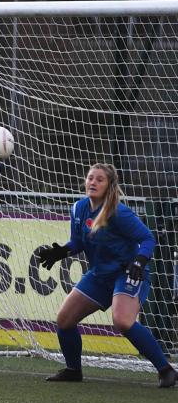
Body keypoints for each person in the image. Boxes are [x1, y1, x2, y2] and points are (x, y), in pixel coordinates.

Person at [36, 163, 177, 387]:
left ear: (110, 185)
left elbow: (148, 238)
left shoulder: (118, 212)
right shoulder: (79, 208)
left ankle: (166, 370)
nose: (93, 182)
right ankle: (73, 370)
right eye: (90, 178)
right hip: (100, 275)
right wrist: (62, 251)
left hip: (128, 272)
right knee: (64, 320)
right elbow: (78, 242)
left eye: (99, 179)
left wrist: (140, 261)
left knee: (122, 320)